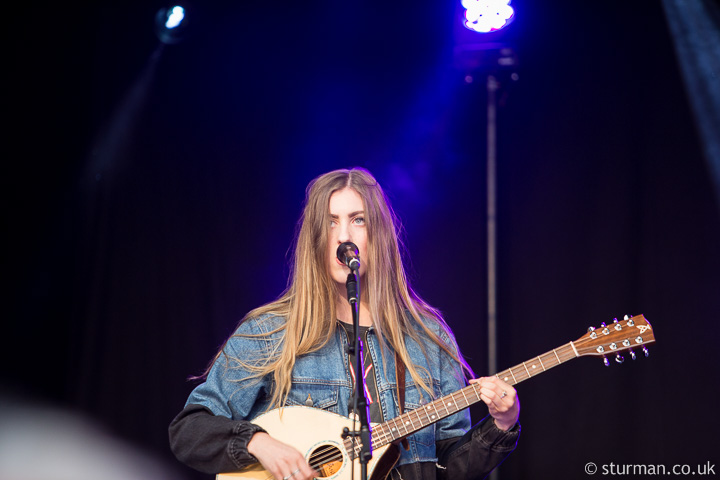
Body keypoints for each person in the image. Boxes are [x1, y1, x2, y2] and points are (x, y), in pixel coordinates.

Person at [169, 168, 520, 480]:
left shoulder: (428, 337)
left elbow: (448, 467)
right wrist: (260, 443)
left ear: (378, 233)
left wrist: (503, 424)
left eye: (358, 220)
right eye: (331, 221)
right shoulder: (270, 332)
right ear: (317, 237)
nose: (343, 236)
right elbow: (190, 429)